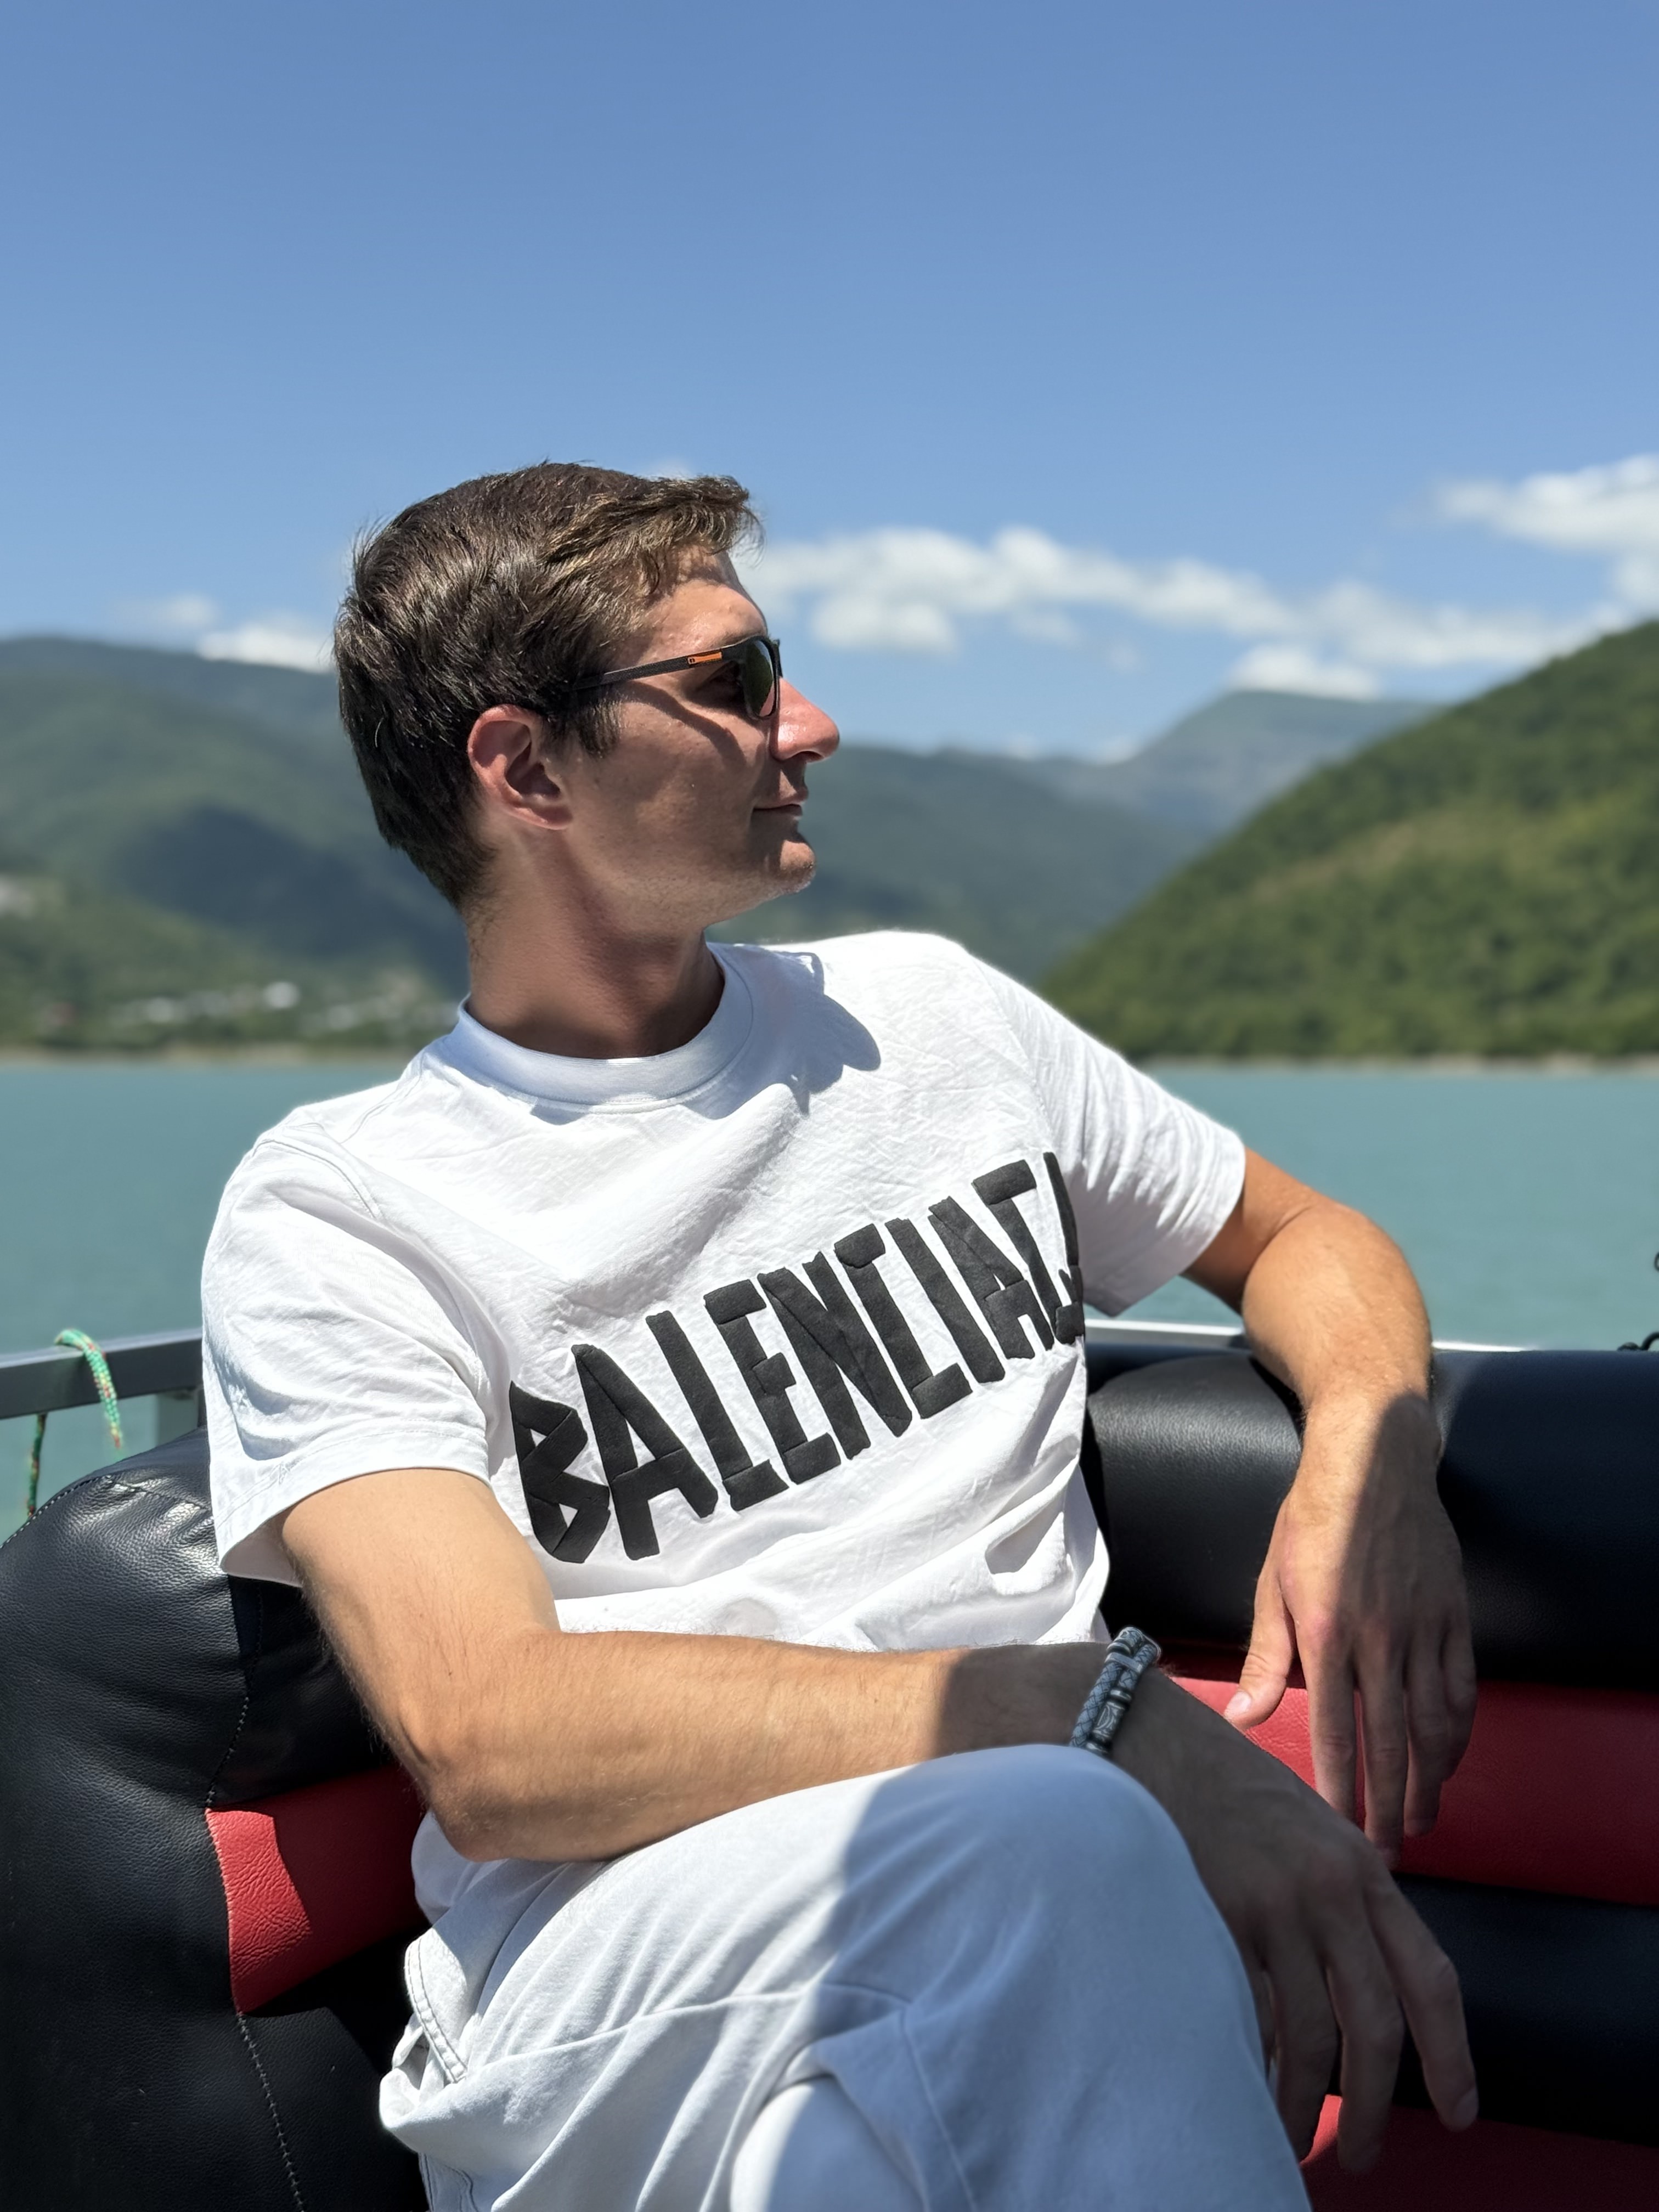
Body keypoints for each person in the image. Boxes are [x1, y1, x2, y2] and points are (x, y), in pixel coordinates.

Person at [203, 464, 1479, 2212]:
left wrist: (1370, 1457)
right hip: (625, 1990)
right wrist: (1094, 1717)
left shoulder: (936, 1025)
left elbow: (1303, 1238)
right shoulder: (345, 1210)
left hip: (1024, 1924)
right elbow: (492, 1737)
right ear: (527, 769)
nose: (807, 724)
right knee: (1049, 1842)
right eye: (732, 681)